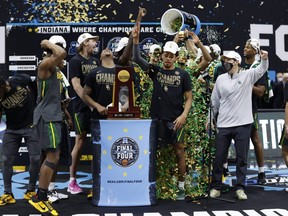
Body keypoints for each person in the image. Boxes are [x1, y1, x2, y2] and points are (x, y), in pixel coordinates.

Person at [132, 22, 193, 200]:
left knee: (179, 151)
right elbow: (136, 58)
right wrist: (136, 40)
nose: (167, 58)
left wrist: (183, 116)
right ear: (162, 56)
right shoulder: (155, 71)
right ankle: (150, 184)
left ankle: (181, 187)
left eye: (171, 56)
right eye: (165, 55)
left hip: (176, 120)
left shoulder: (183, 75)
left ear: (175, 57)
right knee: (151, 152)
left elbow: (189, 98)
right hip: (156, 119)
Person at [209, 50, 269, 200]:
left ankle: (240, 188)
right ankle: (216, 186)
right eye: (224, 60)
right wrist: (209, 118)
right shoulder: (221, 79)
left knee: (242, 158)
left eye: (228, 60)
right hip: (223, 124)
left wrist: (264, 59)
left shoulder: (247, 75)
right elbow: (215, 101)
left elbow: (262, 69)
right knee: (219, 157)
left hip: (243, 124)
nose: (225, 62)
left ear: (236, 61)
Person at [28, 36, 66, 216]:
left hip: (52, 116)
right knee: (52, 157)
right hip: (47, 117)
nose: (63, 61)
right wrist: (48, 43)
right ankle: (40, 198)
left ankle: (40, 193)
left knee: (50, 157)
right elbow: (62, 52)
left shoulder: (52, 69)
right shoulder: (45, 66)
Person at [0, 74, 40, 206]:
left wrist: (35, 106)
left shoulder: (19, 79)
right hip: (12, 129)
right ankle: (7, 193)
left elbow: (34, 86)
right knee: (6, 160)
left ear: (5, 85)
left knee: (35, 158)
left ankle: (30, 190)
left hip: (30, 126)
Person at [68, 32, 100, 196]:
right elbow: (76, 86)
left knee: (97, 144)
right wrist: (90, 103)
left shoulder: (96, 61)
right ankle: (72, 181)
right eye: (93, 41)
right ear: (85, 43)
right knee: (79, 143)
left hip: (96, 108)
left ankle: (97, 181)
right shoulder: (75, 61)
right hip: (82, 107)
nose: (96, 44)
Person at [243, 38, 268, 184]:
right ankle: (227, 168)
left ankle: (261, 172)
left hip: (251, 107)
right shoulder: (240, 65)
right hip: (237, 107)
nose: (245, 48)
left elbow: (260, 92)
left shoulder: (258, 67)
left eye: (248, 47)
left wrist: (244, 82)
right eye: (245, 46)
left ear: (255, 51)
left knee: (254, 138)